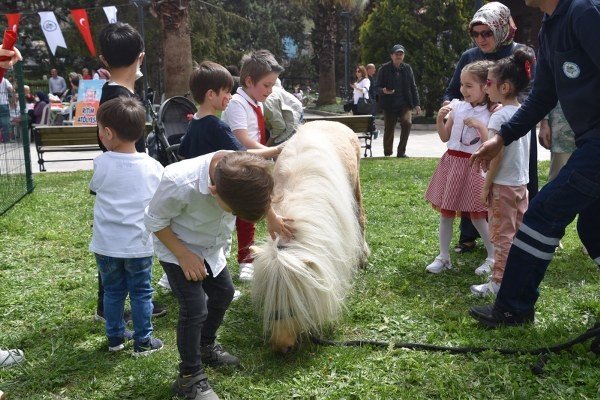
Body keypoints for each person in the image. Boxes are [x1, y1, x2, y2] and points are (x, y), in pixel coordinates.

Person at [469, 0, 600, 328]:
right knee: (594, 226)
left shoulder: (584, 13)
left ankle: (513, 308)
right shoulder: (551, 25)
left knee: (544, 211)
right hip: (590, 140)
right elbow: (543, 94)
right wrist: (501, 138)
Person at [144, 151, 289, 400]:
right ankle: (189, 377)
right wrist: (183, 254)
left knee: (224, 293)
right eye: (234, 211)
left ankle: (205, 346)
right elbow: (154, 220)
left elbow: (258, 190)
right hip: (179, 248)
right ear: (213, 191)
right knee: (195, 308)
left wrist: (272, 217)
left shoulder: (239, 167)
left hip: (212, 247)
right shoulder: (179, 181)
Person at [443, 1, 538, 255]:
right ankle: (469, 237)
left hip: (514, 127)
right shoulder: (469, 56)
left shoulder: (521, 54)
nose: (481, 39)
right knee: (472, 178)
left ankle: (525, 233)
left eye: (486, 32)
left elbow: (534, 91)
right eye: (475, 34)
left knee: (519, 179)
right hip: (474, 133)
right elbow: (453, 90)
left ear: (501, 28)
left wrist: (507, 108)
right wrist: (448, 107)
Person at [94, 22, 167, 322]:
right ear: (141, 57)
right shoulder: (121, 99)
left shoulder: (117, 93)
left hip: (124, 179)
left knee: (118, 241)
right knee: (123, 242)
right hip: (126, 184)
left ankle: (120, 300)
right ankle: (114, 303)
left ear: (103, 60)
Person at [91, 96, 164, 355]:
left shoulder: (101, 163)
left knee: (113, 292)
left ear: (108, 133)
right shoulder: (153, 166)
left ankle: (115, 338)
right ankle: (143, 342)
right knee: (142, 293)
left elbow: (94, 188)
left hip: (106, 245)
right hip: (138, 245)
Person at [468, 49, 535, 296]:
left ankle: (498, 283)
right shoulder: (524, 114)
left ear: (504, 87)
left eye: (488, 82)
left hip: (502, 187)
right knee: (517, 236)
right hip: (521, 186)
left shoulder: (499, 116)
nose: (486, 88)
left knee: (500, 237)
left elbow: (496, 155)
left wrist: (486, 186)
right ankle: (516, 279)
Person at [424, 61, 495, 276]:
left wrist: (481, 127)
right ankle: (443, 256)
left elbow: (490, 144)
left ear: (485, 87)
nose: (463, 90)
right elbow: (445, 137)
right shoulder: (456, 107)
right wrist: (439, 118)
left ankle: (493, 256)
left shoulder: (491, 112)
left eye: (469, 85)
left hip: (473, 166)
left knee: (476, 215)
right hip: (451, 164)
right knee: (446, 213)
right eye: (462, 85)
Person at [221, 49, 284, 282]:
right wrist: (272, 151)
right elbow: (242, 140)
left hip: (252, 162)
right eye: (267, 85)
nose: (270, 91)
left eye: (272, 86)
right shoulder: (238, 104)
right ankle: (244, 261)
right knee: (236, 218)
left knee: (248, 214)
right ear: (249, 81)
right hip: (237, 165)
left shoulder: (255, 102)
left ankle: (246, 259)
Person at [376, 44, 421, 157]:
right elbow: (376, 88)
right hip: (389, 104)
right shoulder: (384, 69)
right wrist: (384, 91)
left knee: (407, 122)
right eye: (397, 54)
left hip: (405, 103)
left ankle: (401, 152)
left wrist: (417, 104)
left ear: (403, 56)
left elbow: (413, 86)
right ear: (392, 56)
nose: (399, 56)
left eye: (401, 54)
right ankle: (387, 153)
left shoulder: (407, 68)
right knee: (389, 129)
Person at [263, 78, 303, 145]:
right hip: (278, 109)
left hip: (293, 110)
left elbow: (279, 127)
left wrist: (266, 147)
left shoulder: (266, 102)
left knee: (282, 144)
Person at [0, 74, 13, 142]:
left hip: (3, 103)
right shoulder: (4, 80)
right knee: (5, 122)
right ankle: (6, 139)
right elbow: (11, 89)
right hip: (3, 103)